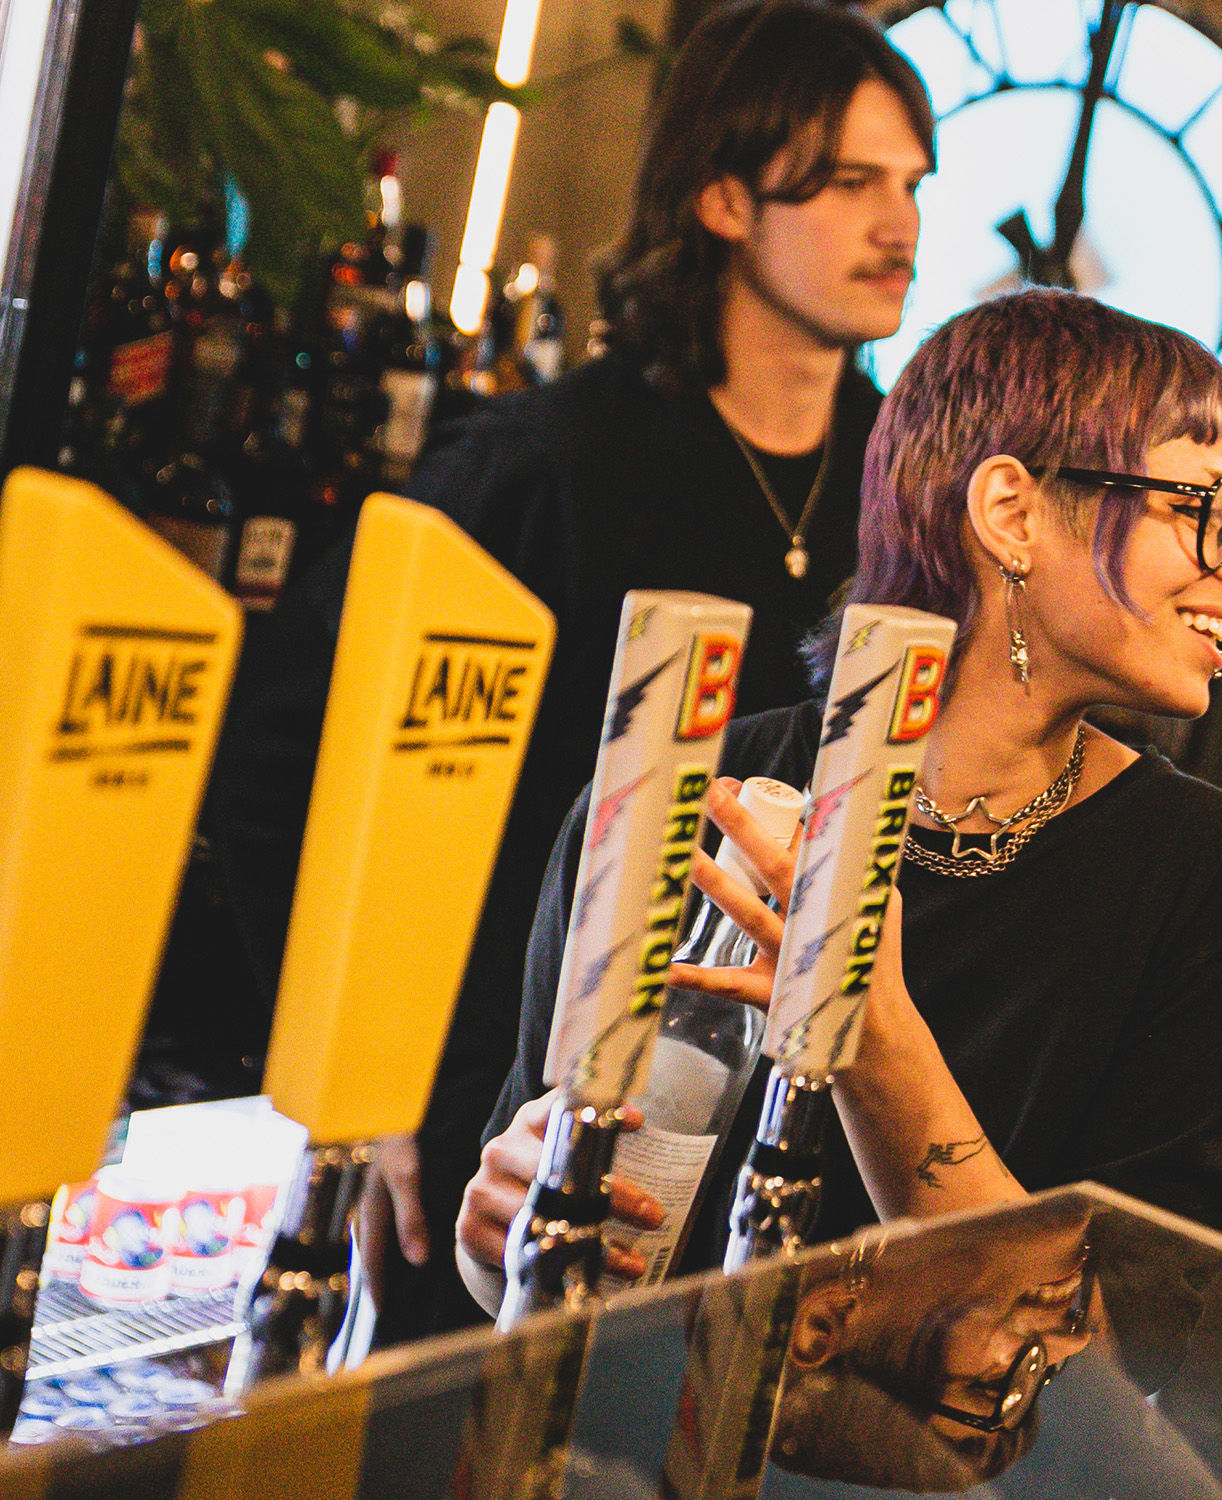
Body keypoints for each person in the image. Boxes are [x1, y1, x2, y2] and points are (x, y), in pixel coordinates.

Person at [195, 0, 934, 1343]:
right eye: (847, 185)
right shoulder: (545, 465)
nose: (900, 227)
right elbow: (282, 769)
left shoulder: (907, 493)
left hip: (770, 1149)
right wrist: (376, 1085)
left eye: (910, 185)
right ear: (721, 197)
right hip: (489, 1126)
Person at [459, 290, 1222, 1305]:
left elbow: (1110, 1356)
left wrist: (864, 1018)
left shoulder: (1215, 886)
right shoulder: (696, 793)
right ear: (1010, 513)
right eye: (1200, 509)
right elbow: (533, 1240)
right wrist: (497, 1232)